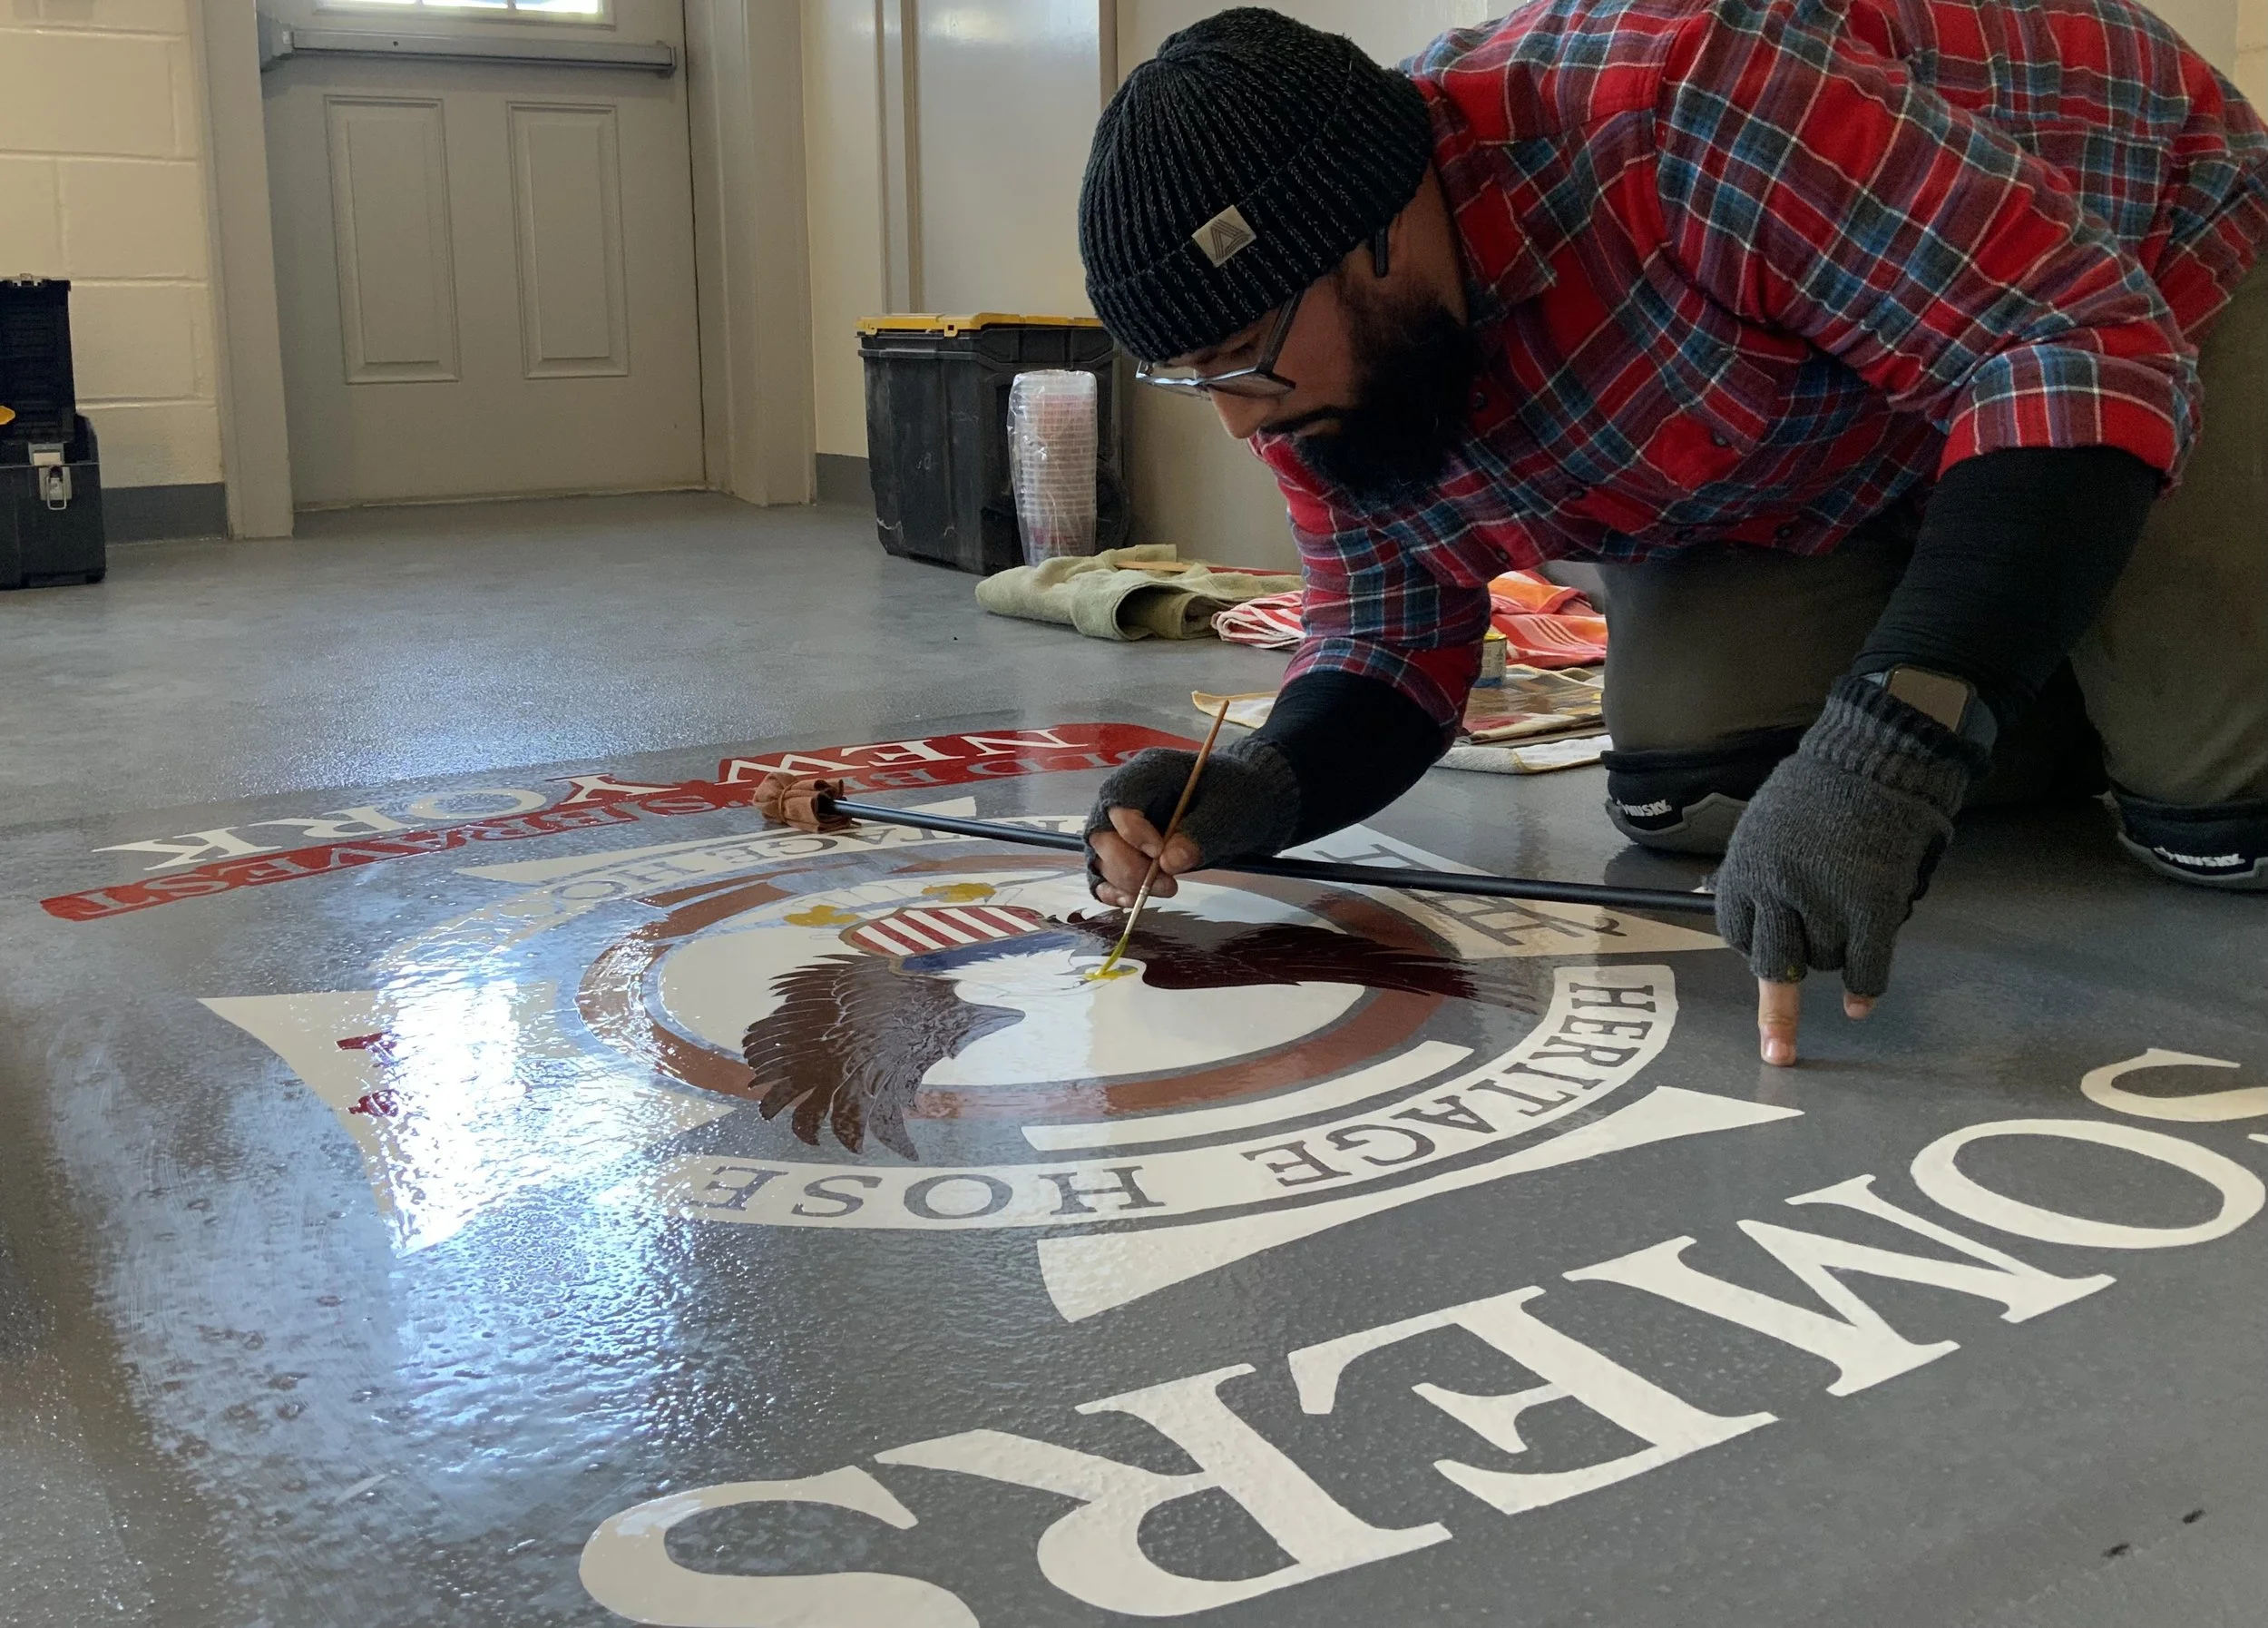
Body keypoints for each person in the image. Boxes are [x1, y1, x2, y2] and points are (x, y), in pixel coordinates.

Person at [1075, 0, 2268, 1064]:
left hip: (2148, 255)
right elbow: (1387, 635)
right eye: (1193, 380)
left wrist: (1893, 750)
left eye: (1243, 364)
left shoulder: (1677, 105)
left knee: (2217, 821)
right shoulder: (1325, 366)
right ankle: (2043, 633)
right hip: (1844, 429)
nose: (1239, 423)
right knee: (1699, 797)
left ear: (1377, 235)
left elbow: (2067, 348)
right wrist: (1259, 786)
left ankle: (2056, 627)